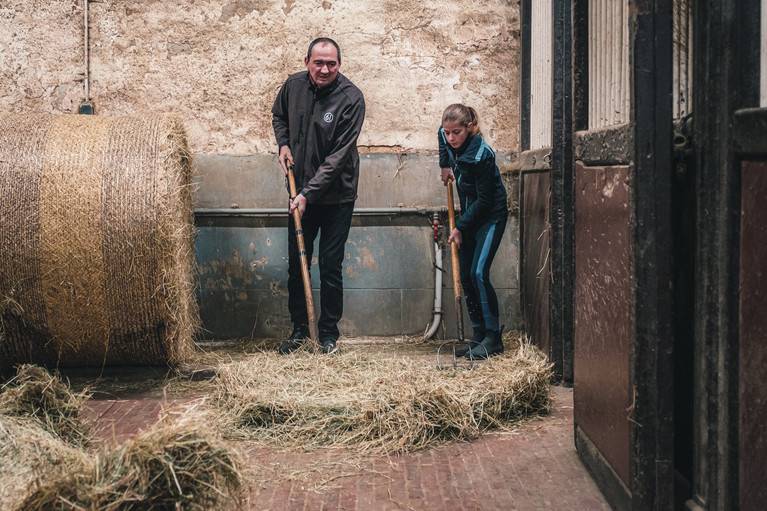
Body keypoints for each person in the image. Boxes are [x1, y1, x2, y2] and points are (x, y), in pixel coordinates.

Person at [272, 37, 366, 355]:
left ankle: (328, 334)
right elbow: (279, 116)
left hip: (336, 196)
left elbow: (338, 157)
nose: (324, 69)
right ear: (307, 61)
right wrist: (283, 144)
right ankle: (300, 329)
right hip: (299, 193)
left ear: (339, 64)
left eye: (331, 63)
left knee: (330, 264)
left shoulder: (351, 98)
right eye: (318, 62)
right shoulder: (293, 86)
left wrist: (308, 194)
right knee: (298, 264)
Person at [438, 104, 508, 359]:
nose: (450, 138)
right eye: (448, 132)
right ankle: (478, 335)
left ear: (470, 128)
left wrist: (459, 227)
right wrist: (444, 165)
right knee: (466, 276)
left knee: (479, 273)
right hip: (469, 216)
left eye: (456, 132)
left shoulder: (481, 155)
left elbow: (485, 201)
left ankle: (493, 338)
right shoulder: (449, 139)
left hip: (490, 217)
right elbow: (440, 136)